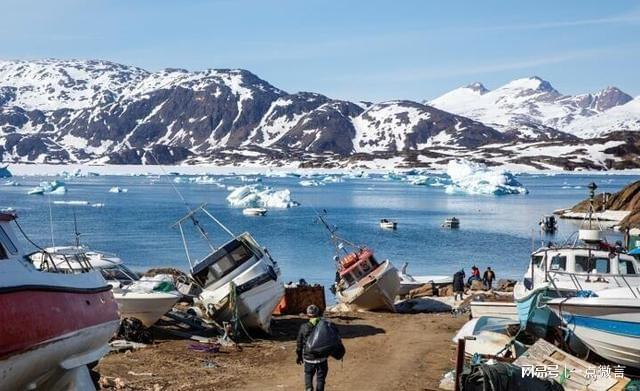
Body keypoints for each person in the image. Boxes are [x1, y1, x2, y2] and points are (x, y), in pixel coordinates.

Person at [297, 304, 329, 391]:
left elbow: (299, 343)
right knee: (321, 379)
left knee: (308, 374)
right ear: (318, 314)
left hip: (309, 358)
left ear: (308, 315)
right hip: (322, 358)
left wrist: (299, 356)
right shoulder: (324, 325)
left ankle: (309, 388)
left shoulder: (303, 327)